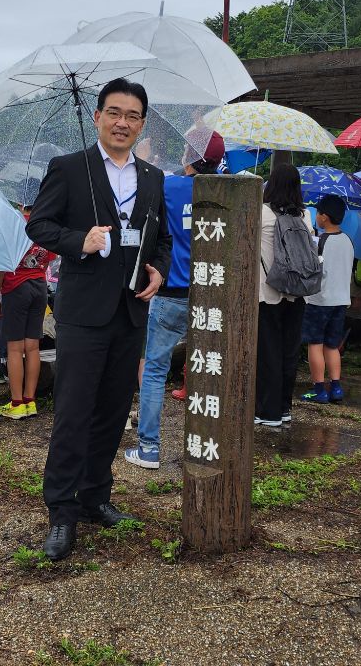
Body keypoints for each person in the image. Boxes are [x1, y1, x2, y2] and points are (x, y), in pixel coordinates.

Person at [26, 77, 172, 561]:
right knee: (73, 411)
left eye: (132, 116)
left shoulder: (153, 177)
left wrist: (159, 268)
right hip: (83, 313)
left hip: (131, 311)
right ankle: (61, 511)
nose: (122, 123)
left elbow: (162, 239)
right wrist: (79, 241)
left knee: (112, 410)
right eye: (114, 113)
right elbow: (39, 225)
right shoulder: (70, 168)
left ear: (142, 123)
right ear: (97, 117)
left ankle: (94, 496)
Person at [124, 130, 225, 468]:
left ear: (190, 155)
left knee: (154, 371)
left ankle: (149, 448)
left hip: (170, 292)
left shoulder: (169, 186)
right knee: (211, 368)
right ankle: (210, 448)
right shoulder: (228, 191)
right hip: (213, 296)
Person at [0, 206, 56, 420]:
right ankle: (30, 401)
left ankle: (16, 403)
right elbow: (48, 259)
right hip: (39, 287)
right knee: (32, 347)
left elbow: (1, 267)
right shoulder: (46, 226)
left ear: (22, 205)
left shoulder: (12, 226)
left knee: (15, 349)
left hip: (16, 288)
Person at [256, 162, 314, 426]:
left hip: (267, 291)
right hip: (297, 292)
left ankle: (267, 412)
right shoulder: (305, 216)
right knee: (289, 351)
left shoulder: (262, 213)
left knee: (268, 351)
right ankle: (284, 408)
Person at [300, 194, 355, 404]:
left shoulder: (320, 241)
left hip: (319, 300)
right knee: (332, 345)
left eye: (318, 213)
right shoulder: (347, 240)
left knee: (315, 344)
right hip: (340, 300)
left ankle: (319, 389)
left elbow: (312, 269)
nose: (316, 217)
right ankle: (336, 387)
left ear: (324, 217)